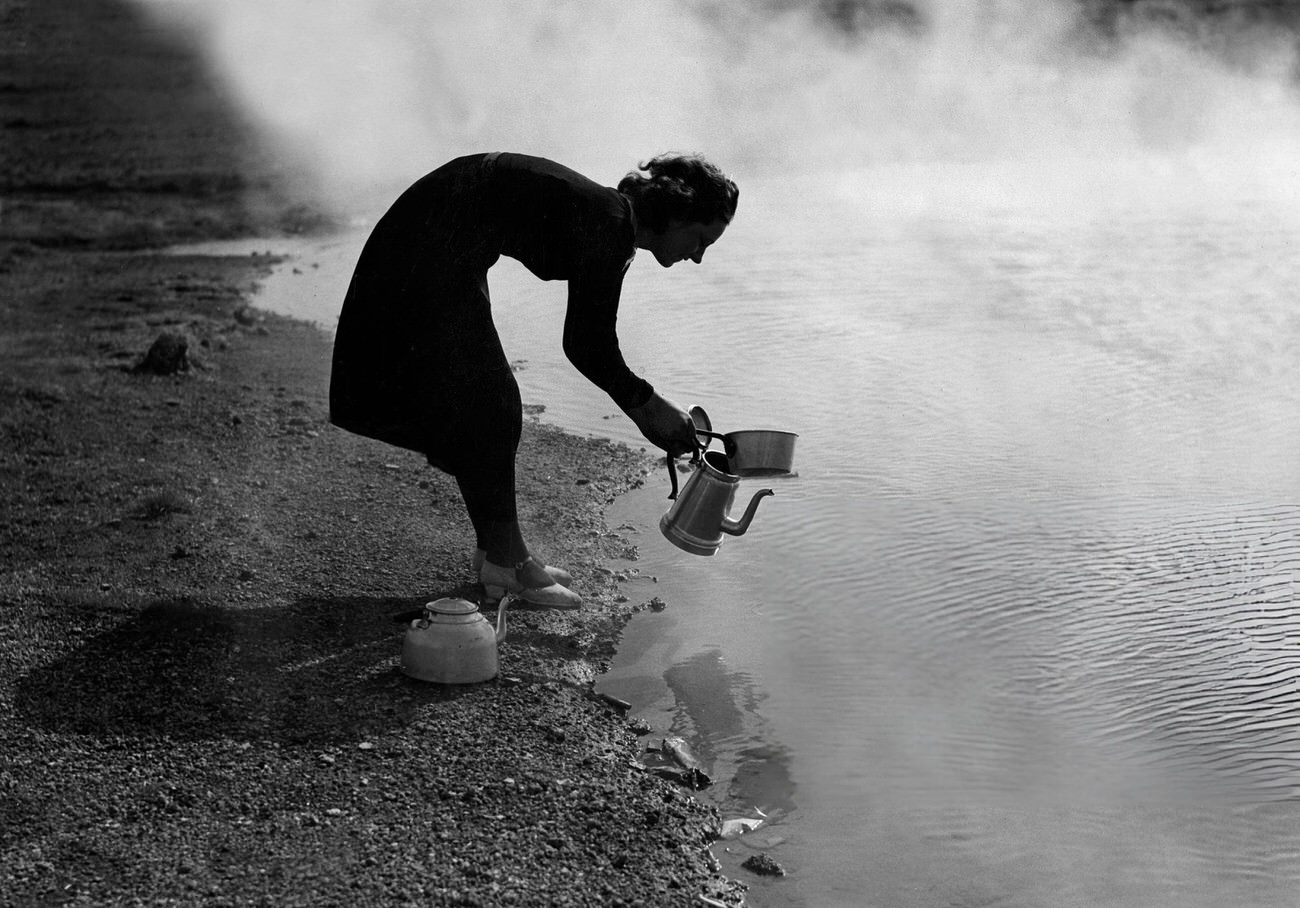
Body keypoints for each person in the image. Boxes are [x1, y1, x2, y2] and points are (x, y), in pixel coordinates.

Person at [329, 151, 738, 608]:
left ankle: (496, 553)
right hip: (430, 241)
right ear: (679, 212)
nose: (699, 257)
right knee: (492, 405)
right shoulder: (610, 224)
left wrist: (644, 406)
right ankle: (508, 564)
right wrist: (650, 407)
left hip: (446, 242)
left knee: (483, 404)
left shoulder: (612, 220)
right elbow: (587, 345)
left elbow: (588, 343)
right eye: (701, 238)